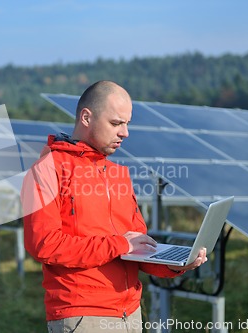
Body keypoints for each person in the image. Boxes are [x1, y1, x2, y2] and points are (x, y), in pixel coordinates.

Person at [21, 80, 207, 333]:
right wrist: (120, 244)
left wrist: (176, 264)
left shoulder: (118, 174)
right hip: (83, 316)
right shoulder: (47, 169)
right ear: (86, 117)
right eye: (116, 123)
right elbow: (44, 244)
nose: (125, 133)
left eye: (127, 124)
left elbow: (137, 248)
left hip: (130, 313)